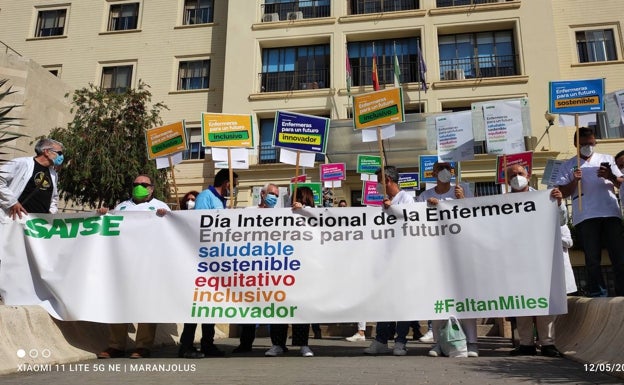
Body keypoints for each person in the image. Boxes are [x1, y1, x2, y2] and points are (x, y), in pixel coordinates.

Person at [96, 174, 170, 359]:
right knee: (118, 303)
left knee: (146, 304)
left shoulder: (162, 207)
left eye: (144, 184)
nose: (139, 187)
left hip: (149, 263)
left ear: (152, 188)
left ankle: (143, 346)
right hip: (122, 263)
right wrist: (103, 215)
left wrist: (166, 218)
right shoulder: (122, 207)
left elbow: (171, 232)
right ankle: (116, 345)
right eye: (136, 184)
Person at [416, 162, 479, 358]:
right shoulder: (424, 196)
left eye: (448, 170)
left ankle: (472, 342)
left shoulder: (463, 190)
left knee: (465, 299)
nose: (444, 173)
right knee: (438, 299)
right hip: (435, 253)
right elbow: (416, 219)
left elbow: (476, 216)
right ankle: (438, 342)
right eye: (440, 170)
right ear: (433, 173)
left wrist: (463, 201)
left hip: (461, 251)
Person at [506, 164, 566, 357]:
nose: (517, 177)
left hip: (542, 256)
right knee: (520, 301)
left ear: (528, 175)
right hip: (516, 258)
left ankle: (548, 343)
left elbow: (562, 221)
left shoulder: (547, 196)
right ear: (507, 180)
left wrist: (558, 203)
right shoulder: (502, 201)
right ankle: (525, 343)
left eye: (520, 173)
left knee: (544, 300)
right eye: (513, 175)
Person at [556, 127, 624, 297]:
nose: (588, 146)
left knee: (618, 255)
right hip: (585, 215)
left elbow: (621, 183)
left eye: (591, 143)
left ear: (595, 142)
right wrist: (574, 180)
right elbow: (561, 193)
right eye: (584, 144)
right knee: (592, 258)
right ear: (575, 144)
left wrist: (609, 176)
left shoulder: (607, 159)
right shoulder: (568, 165)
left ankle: (622, 290)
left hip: (610, 212)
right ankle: (598, 292)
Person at [178, 169, 238, 358]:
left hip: (215, 260)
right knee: (197, 304)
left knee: (210, 305)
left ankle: (208, 344)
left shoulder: (222, 201)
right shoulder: (206, 196)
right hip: (202, 258)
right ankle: (186, 345)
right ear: (227, 183)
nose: (235, 189)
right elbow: (201, 223)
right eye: (234, 185)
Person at [364, 166, 414, 356]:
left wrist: (392, 208)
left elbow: (410, 219)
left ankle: (400, 341)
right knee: (384, 299)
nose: (377, 185)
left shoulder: (406, 198)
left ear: (388, 180)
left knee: (401, 300)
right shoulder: (382, 202)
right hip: (385, 258)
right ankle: (381, 340)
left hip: (402, 258)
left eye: (379, 181)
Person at [266, 186, 315, 357]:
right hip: (284, 268)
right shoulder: (285, 214)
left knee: (301, 308)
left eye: (296, 197)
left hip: (304, 270)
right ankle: (277, 343)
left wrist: (304, 212)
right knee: (280, 306)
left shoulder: (313, 215)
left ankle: (303, 344)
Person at [232, 183, 280, 354]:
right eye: (271, 193)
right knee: (249, 307)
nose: (274, 196)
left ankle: (278, 343)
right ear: (262, 194)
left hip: (274, 268)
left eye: (276, 194)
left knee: (275, 306)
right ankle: (245, 343)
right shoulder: (248, 211)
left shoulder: (281, 215)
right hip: (251, 268)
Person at [0, 138, 64, 220]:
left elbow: (53, 197)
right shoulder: (21, 163)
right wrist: (12, 202)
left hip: (38, 224)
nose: (61, 156)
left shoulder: (53, 173)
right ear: (47, 152)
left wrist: (52, 213)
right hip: (16, 220)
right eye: (59, 153)